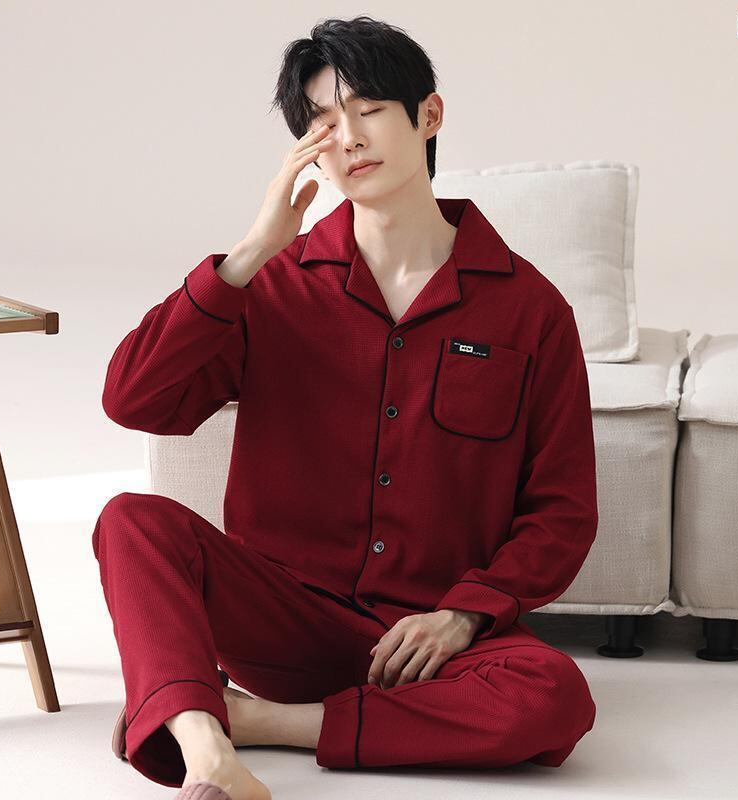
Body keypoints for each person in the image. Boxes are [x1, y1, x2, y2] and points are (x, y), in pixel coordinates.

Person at [93, 14, 599, 800]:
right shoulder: (273, 285)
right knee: (131, 520)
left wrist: (464, 616)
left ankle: (254, 721)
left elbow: (561, 512)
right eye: (324, 124)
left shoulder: (531, 310)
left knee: (555, 696)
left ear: (428, 115)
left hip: (427, 646)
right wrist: (249, 253)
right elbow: (134, 398)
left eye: (368, 110)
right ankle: (203, 751)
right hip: (280, 623)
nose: (350, 139)